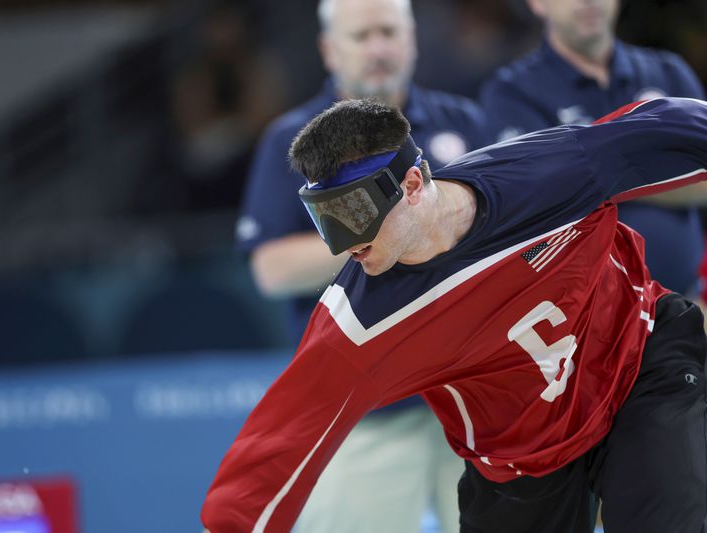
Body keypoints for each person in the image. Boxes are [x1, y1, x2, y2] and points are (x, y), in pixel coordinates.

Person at [203, 96, 707, 533]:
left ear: (414, 183)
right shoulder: (361, 321)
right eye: (325, 219)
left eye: (354, 213)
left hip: (641, 361)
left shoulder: (547, 170)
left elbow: (660, 126)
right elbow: (277, 442)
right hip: (519, 456)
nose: (345, 242)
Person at [235, 0, 489, 531]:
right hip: (362, 414)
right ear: (329, 50)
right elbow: (272, 269)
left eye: (388, 32)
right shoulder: (291, 140)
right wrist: (394, 233)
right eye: (361, 36)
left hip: (471, 399)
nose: (377, 48)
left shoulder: (463, 122)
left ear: (413, 39)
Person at [479, 0, 707, 297]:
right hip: (591, 316)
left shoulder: (669, 72)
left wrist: (599, 167)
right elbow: (545, 200)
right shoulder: (512, 93)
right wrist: (667, 164)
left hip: (689, 299)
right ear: (537, 4)